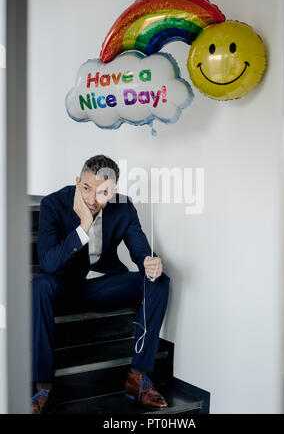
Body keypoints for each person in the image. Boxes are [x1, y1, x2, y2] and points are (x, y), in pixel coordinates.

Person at [31, 154, 170, 414]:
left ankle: (137, 378)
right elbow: (48, 263)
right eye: (86, 188)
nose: (92, 199)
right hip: (65, 286)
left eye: (103, 192)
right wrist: (84, 226)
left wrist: (150, 263)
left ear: (113, 191)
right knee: (39, 285)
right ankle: (43, 386)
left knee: (159, 282)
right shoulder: (53, 204)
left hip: (105, 285)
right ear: (77, 182)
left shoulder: (124, 206)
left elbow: (141, 252)